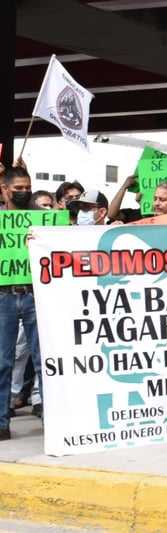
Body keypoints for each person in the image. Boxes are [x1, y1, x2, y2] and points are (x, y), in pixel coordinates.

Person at [0, 165, 44, 440]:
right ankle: (1, 423)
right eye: (18, 189)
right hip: (3, 296)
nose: (24, 193)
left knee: (44, 361)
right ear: (4, 189)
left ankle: (54, 419)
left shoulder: (41, 219)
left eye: (28, 188)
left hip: (34, 295)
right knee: (3, 362)